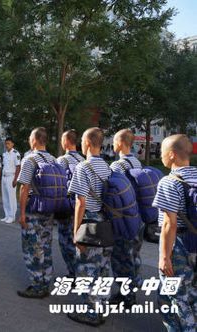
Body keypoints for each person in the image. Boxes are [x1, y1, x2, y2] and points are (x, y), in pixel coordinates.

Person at [67, 127, 112, 327]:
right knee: (102, 267)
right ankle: (101, 307)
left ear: (86, 143)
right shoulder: (107, 166)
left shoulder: (83, 167)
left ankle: (91, 313)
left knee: (86, 269)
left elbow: (80, 202)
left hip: (89, 223)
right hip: (106, 223)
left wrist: (76, 232)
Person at [153, 134, 196, 331]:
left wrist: (164, 257)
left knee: (177, 298)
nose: (160, 155)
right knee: (192, 295)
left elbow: (169, 223)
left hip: (179, 247)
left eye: (161, 152)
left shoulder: (169, 181)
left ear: (171, 155)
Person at [17, 127, 56, 299]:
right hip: (49, 211)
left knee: (32, 248)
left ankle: (37, 285)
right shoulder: (54, 160)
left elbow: (24, 188)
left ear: (34, 140)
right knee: (46, 246)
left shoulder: (29, 159)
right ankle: (46, 281)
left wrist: (22, 213)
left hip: (33, 211)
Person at [109, 129, 144, 306]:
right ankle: (133, 287)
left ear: (121, 143)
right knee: (134, 255)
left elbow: (113, 193)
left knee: (121, 258)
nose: (113, 145)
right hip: (138, 217)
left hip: (123, 219)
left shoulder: (117, 166)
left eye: (114, 141)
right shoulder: (136, 162)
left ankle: (126, 296)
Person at [55, 130, 85, 278]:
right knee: (79, 240)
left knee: (66, 242)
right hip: (82, 206)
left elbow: (58, 184)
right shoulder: (83, 160)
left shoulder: (62, 160)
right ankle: (80, 271)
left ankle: (74, 273)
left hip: (67, 207)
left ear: (66, 141)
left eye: (62, 139)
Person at [1, 138, 21, 224]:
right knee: (5, 197)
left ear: (12, 144)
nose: (7, 145)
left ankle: (12, 216)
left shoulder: (16, 154)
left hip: (11, 177)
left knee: (11, 198)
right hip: (4, 177)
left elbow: (18, 167)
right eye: (6, 144)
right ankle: (7, 215)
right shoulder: (4, 154)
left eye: (8, 143)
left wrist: (15, 179)